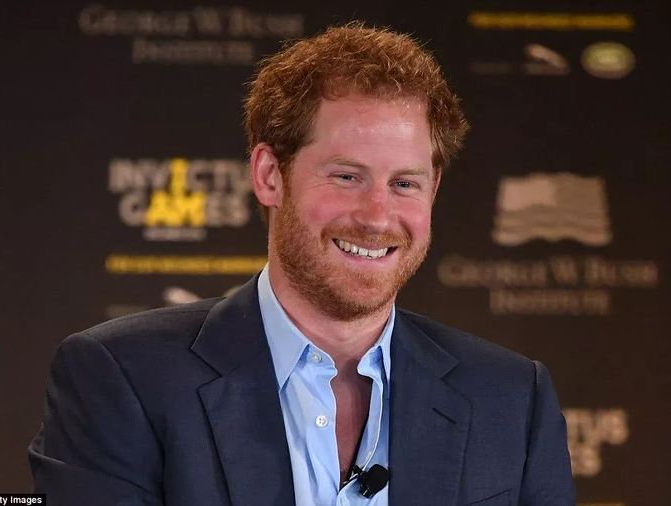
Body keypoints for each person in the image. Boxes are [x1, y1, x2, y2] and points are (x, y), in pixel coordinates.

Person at [29, 23, 575, 506]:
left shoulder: (511, 398)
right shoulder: (122, 377)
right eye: (347, 176)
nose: (377, 215)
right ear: (269, 176)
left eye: (405, 183)